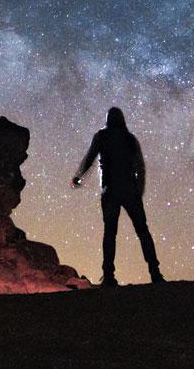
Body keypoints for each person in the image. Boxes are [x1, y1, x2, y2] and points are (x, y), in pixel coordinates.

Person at [71, 106, 165, 286]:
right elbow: (140, 167)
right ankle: (155, 273)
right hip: (130, 190)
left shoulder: (102, 136)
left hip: (110, 190)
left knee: (110, 233)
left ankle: (108, 275)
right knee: (142, 231)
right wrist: (139, 191)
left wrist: (79, 175)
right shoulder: (130, 139)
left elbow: (90, 158)